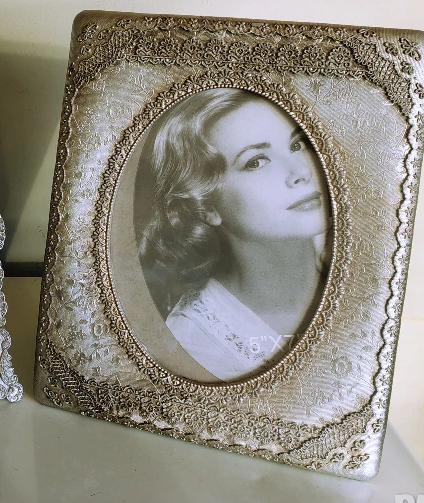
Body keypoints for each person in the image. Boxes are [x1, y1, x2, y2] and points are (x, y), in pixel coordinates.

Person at [137, 89, 330, 382]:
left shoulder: (360, 261)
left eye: (297, 145)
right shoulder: (195, 347)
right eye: (256, 162)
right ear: (206, 207)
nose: (301, 171)